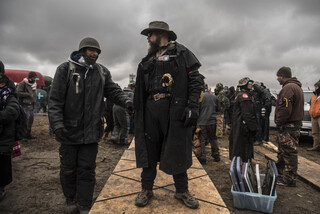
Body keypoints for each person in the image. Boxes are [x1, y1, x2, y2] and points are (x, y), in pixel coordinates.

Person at [48, 37, 132, 214]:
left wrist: (127, 101)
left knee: (87, 169)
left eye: (97, 51)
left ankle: (85, 203)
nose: (94, 54)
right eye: (90, 50)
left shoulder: (101, 72)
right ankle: (70, 200)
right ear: (81, 51)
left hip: (92, 131)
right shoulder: (65, 69)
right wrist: (57, 124)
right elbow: (55, 100)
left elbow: (113, 91)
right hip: (68, 131)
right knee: (68, 168)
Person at [134, 21, 204, 209]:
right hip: (150, 109)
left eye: (150, 34)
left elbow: (196, 81)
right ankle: (146, 189)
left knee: (177, 149)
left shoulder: (181, 54)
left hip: (174, 110)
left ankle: (182, 191)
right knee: (148, 150)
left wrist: (192, 106)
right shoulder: (147, 59)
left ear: (160, 34)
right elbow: (140, 88)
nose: (148, 38)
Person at [275, 66, 304, 187]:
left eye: (278, 76)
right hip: (293, 125)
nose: (277, 79)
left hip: (289, 126)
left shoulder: (288, 88)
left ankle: (289, 179)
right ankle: (281, 174)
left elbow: (285, 109)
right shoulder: (296, 87)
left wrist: (279, 122)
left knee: (289, 152)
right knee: (284, 151)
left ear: (282, 76)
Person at [0, 72, 20, 201]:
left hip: (3, 138)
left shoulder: (9, 94)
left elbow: (12, 111)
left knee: (1, 167)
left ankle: (1, 189)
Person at [229, 77, 257, 162]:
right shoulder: (244, 96)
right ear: (244, 85)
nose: (251, 84)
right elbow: (247, 114)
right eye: (249, 83)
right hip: (242, 127)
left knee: (241, 149)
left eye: (252, 83)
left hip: (241, 126)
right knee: (243, 150)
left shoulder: (243, 94)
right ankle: (242, 168)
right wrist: (253, 128)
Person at [197, 84, 221, 164]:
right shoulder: (214, 97)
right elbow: (219, 108)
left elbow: (197, 109)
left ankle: (203, 158)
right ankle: (216, 155)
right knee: (213, 138)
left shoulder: (200, 97)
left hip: (202, 122)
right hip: (212, 121)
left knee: (202, 140)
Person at [16, 71, 37, 139]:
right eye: (34, 77)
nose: (34, 79)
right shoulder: (23, 83)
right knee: (25, 120)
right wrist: (28, 94)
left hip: (31, 103)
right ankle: (23, 135)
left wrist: (34, 97)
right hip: (24, 104)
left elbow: (34, 93)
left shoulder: (34, 84)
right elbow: (18, 92)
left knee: (30, 120)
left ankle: (28, 134)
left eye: (35, 78)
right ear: (30, 77)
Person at [307, 80, 320, 151]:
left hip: (319, 115)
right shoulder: (313, 96)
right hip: (313, 116)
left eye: (317, 86)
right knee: (315, 132)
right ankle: (315, 146)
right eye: (315, 86)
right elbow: (310, 104)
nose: (315, 88)